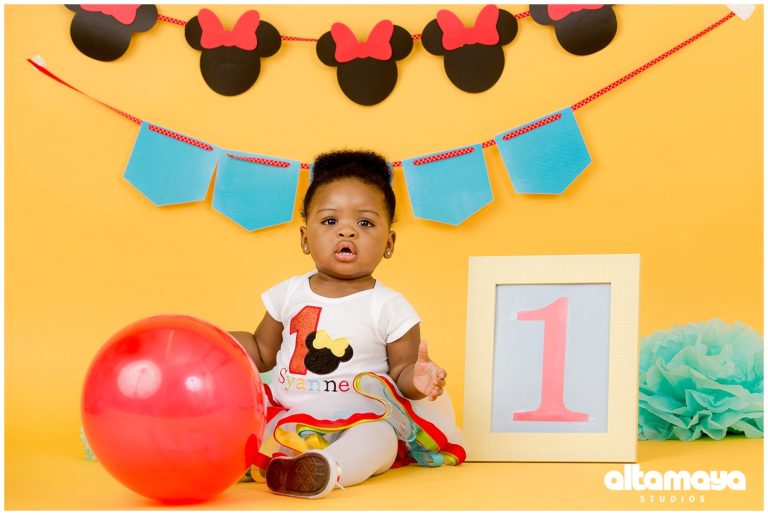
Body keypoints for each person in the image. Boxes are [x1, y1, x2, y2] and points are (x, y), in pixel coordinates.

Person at [230, 150, 464, 499]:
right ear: (305, 238)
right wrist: (217, 342)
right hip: (290, 416)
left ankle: (327, 468)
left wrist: (417, 378)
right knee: (249, 426)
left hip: (360, 418)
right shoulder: (287, 293)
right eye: (329, 221)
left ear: (389, 243)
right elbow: (263, 351)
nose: (347, 231)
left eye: (365, 223)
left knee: (380, 439)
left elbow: (401, 372)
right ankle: (263, 463)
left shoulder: (389, 306)